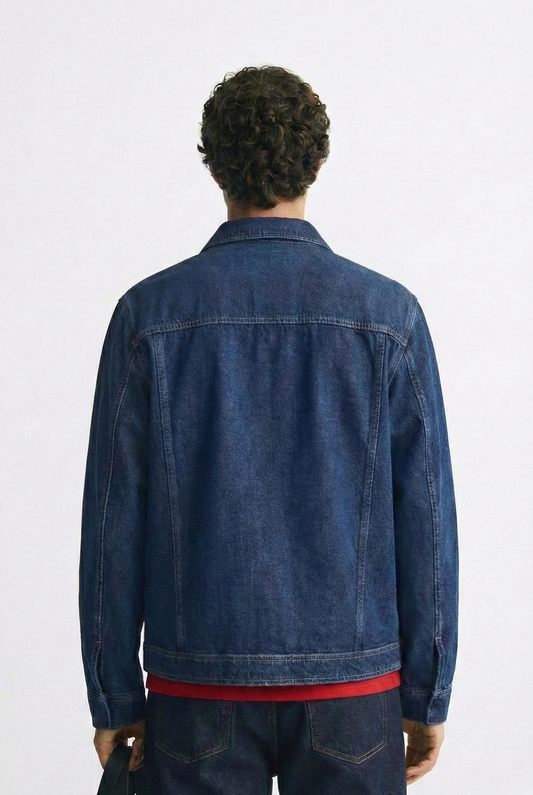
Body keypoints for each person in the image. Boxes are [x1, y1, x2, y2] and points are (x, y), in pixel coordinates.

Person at [80, 65, 459, 793]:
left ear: (213, 165)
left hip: (196, 688)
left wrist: (115, 694)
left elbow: (112, 522)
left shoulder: (148, 316)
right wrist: (426, 691)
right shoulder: (389, 316)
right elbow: (427, 518)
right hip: (354, 691)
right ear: (316, 163)